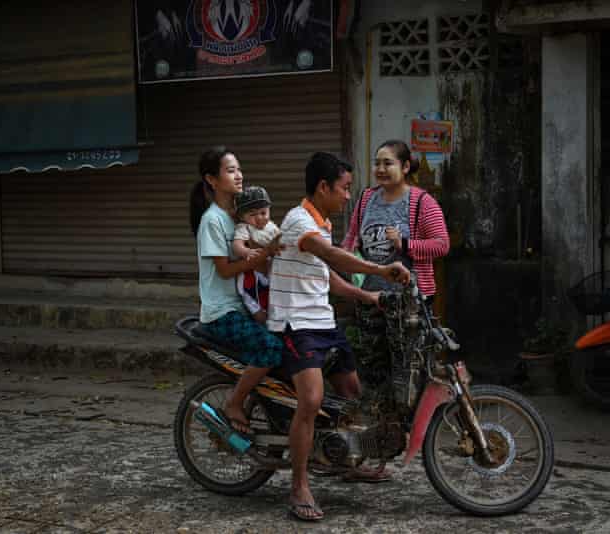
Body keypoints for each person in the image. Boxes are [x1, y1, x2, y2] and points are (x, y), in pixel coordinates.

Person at [267, 152, 410, 522]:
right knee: (312, 401)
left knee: (351, 392)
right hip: (295, 324)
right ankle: (298, 486)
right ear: (323, 187)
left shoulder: (322, 221)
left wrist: (366, 295)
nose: (349, 196)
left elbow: (324, 273)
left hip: (322, 321)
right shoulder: (299, 222)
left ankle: (347, 460)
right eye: (345, 188)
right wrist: (379, 269)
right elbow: (333, 256)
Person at [188, 146, 283, 435]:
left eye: (239, 169)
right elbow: (226, 270)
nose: (239, 175)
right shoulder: (212, 221)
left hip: (246, 306)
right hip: (221, 313)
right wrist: (263, 254)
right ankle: (234, 402)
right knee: (270, 347)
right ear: (212, 180)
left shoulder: (242, 216)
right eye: (231, 171)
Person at [342, 140, 450, 380]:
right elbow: (351, 238)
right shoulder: (366, 198)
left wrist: (406, 244)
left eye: (388, 163)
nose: (380, 169)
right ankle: (382, 416)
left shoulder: (423, 202)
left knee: (408, 372)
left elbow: (442, 244)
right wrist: (348, 255)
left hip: (409, 303)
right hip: (370, 300)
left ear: (405, 167)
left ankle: (410, 418)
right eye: (377, 163)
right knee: (373, 369)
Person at [232, 186, 280, 324]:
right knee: (253, 301)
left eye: (263, 213)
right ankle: (262, 322)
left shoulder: (271, 227)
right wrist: (246, 251)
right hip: (251, 275)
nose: (259, 218)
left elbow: (280, 240)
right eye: (252, 215)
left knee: (273, 299)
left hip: (270, 270)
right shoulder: (244, 228)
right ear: (242, 216)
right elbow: (237, 244)